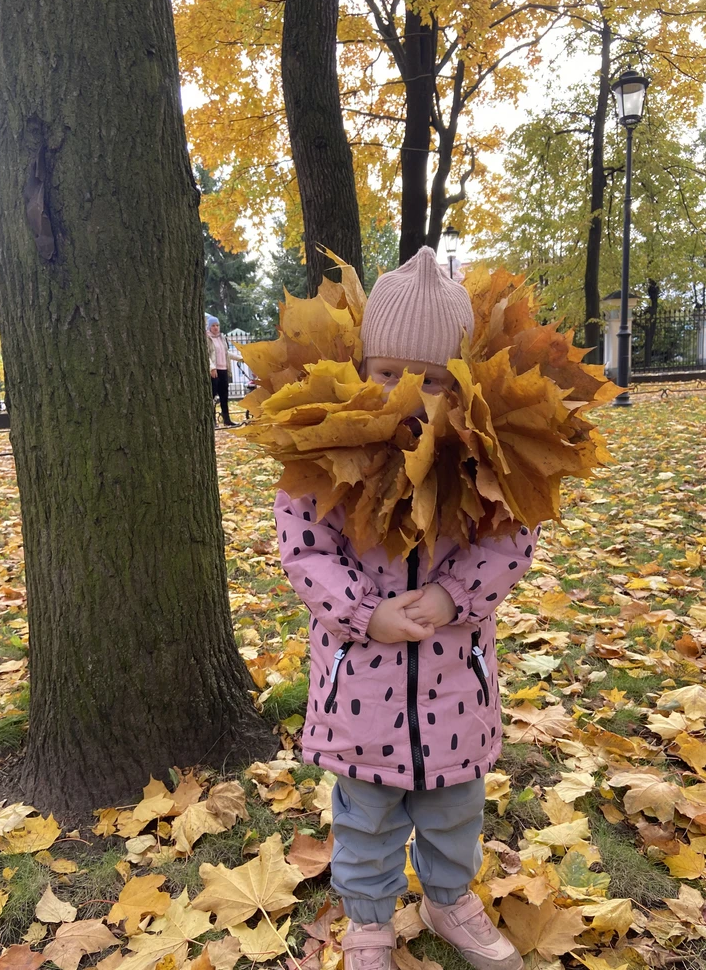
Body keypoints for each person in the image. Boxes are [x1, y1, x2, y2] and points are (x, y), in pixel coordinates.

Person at [275, 247, 537, 970]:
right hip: (359, 689)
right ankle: (367, 921)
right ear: (362, 370)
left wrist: (454, 596)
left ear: (460, 385)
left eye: (430, 381)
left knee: (455, 811)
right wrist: (365, 614)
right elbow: (305, 552)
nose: (407, 395)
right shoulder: (326, 457)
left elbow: (515, 539)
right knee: (364, 817)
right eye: (389, 374)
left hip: (457, 683)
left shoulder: (484, 461)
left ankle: (448, 898)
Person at [206, 319, 240, 427]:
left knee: (224, 396)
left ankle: (227, 420)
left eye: (217, 325)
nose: (215, 327)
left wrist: (241, 359)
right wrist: (212, 368)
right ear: (209, 327)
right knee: (213, 396)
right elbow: (206, 354)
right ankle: (212, 421)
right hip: (214, 371)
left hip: (224, 369)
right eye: (213, 326)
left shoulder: (222, 338)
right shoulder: (207, 339)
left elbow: (226, 353)